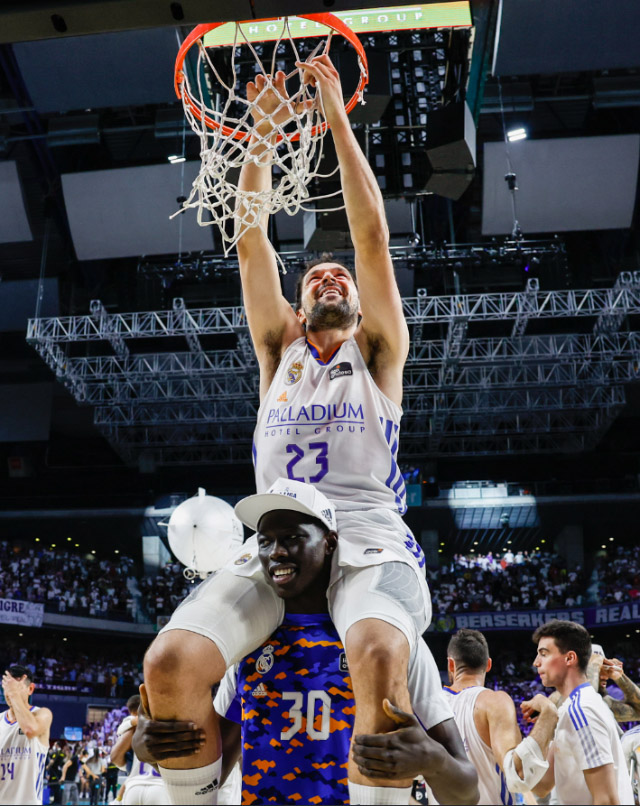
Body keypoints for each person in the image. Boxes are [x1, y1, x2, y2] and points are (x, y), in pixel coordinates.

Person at [143, 53, 434, 806]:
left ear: (362, 308)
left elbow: (373, 238)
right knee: (168, 666)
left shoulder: (378, 352)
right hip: (275, 538)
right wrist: (263, 133)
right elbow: (251, 240)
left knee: (376, 655)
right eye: (315, 278)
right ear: (298, 311)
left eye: (342, 279)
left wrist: (334, 112)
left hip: (367, 536)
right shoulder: (279, 353)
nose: (331, 276)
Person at [134, 480, 478, 806]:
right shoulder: (247, 642)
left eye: (292, 537)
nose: (276, 552)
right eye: (265, 542)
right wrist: (160, 748)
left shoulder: (386, 641)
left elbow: (467, 794)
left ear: (329, 542)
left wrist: (434, 761)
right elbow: (213, 771)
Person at [353, 629, 557, 805]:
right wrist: (548, 712)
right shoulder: (494, 701)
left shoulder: (422, 710)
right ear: (488, 665)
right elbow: (521, 776)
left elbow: (393, 782)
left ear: (451, 665)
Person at [526, 619, 634, 805]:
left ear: (569, 658)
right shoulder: (568, 708)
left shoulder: (582, 710)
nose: (536, 662)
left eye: (544, 654)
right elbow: (541, 785)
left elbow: (607, 800)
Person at [0, 665, 51, 806]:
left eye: (16, 687)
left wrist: (14, 694)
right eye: (7, 687)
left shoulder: (42, 715)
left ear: (30, 689)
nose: (9, 692)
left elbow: (29, 729)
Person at [110, 695, 168, 805]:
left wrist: (133, 723)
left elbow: (115, 756)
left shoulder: (132, 723)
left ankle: (117, 800)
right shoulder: (166, 722)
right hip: (161, 785)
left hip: (134, 784)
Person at [47, 740, 67, 805]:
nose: (53, 746)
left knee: (54, 786)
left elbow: (52, 761)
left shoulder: (56, 753)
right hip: (59, 772)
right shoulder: (62, 753)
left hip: (54, 772)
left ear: (57, 746)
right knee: (58, 786)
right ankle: (58, 800)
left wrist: (47, 767)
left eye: (54, 745)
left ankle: (55, 801)